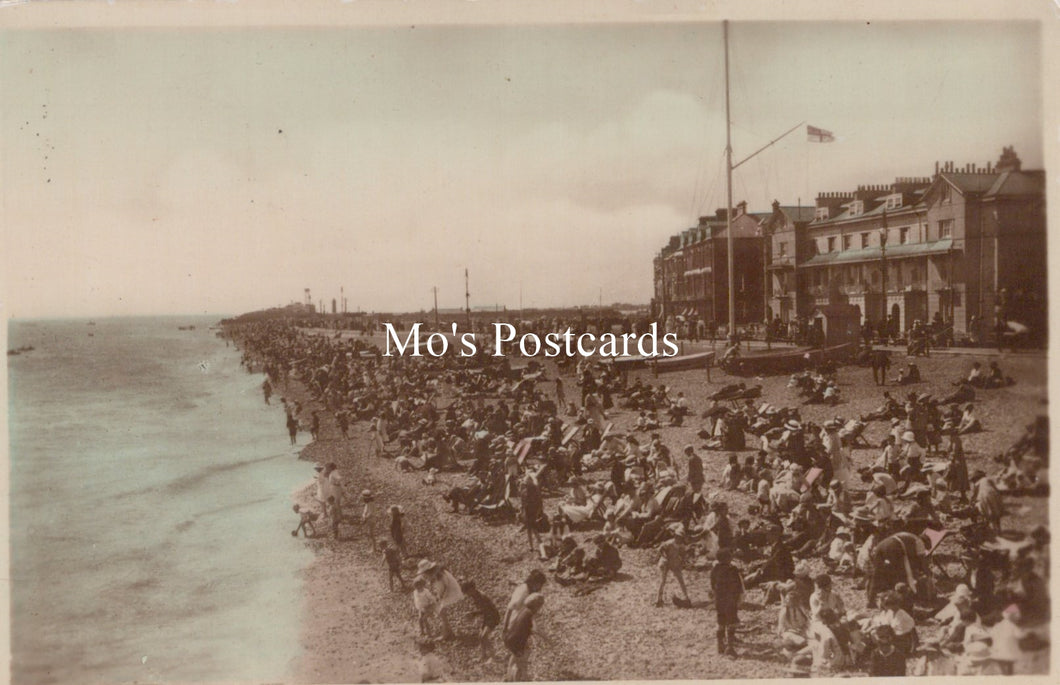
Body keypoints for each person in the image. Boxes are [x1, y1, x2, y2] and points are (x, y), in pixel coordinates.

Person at [503, 592, 544, 682]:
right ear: (537, 606)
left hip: (509, 638)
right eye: (540, 607)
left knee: (517, 655)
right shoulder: (530, 614)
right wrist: (546, 638)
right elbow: (536, 629)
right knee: (522, 661)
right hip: (517, 642)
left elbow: (522, 625)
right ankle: (521, 679)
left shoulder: (523, 610)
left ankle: (508, 676)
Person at [710, 548, 743, 656]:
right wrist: (739, 597)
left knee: (721, 621)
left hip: (719, 599)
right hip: (731, 600)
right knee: (731, 622)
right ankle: (730, 646)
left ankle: (720, 644)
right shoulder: (732, 569)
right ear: (728, 558)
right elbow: (738, 585)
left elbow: (712, 584)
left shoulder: (715, 569)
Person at [461, 579, 501, 662]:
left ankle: (493, 657)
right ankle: (483, 656)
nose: (467, 595)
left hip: (493, 617)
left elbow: (486, 610)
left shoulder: (481, 597)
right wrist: (473, 614)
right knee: (480, 636)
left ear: (472, 589)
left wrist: (473, 614)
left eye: (467, 592)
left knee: (484, 636)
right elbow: (483, 611)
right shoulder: (475, 596)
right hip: (488, 617)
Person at [655, 529, 691, 607]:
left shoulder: (681, 546)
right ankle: (659, 599)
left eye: (681, 538)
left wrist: (683, 561)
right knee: (662, 580)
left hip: (674, 562)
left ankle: (686, 597)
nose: (680, 539)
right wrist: (665, 557)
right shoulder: (669, 543)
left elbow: (683, 555)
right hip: (665, 562)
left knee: (681, 579)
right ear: (675, 536)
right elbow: (661, 550)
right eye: (678, 537)